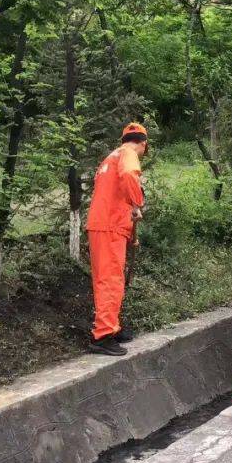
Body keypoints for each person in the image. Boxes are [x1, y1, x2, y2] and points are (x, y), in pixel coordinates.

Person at [86, 123, 148, 356]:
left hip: (107, 225)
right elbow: (130, 176)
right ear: (142, 143)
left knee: (112, 278)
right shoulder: (129, 153)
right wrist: (137, 202)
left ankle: (112, 326)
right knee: (110, 280)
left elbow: (112, 191)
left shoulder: (111, 157)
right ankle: (102, 336)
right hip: (109, 226)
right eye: (145, 149)